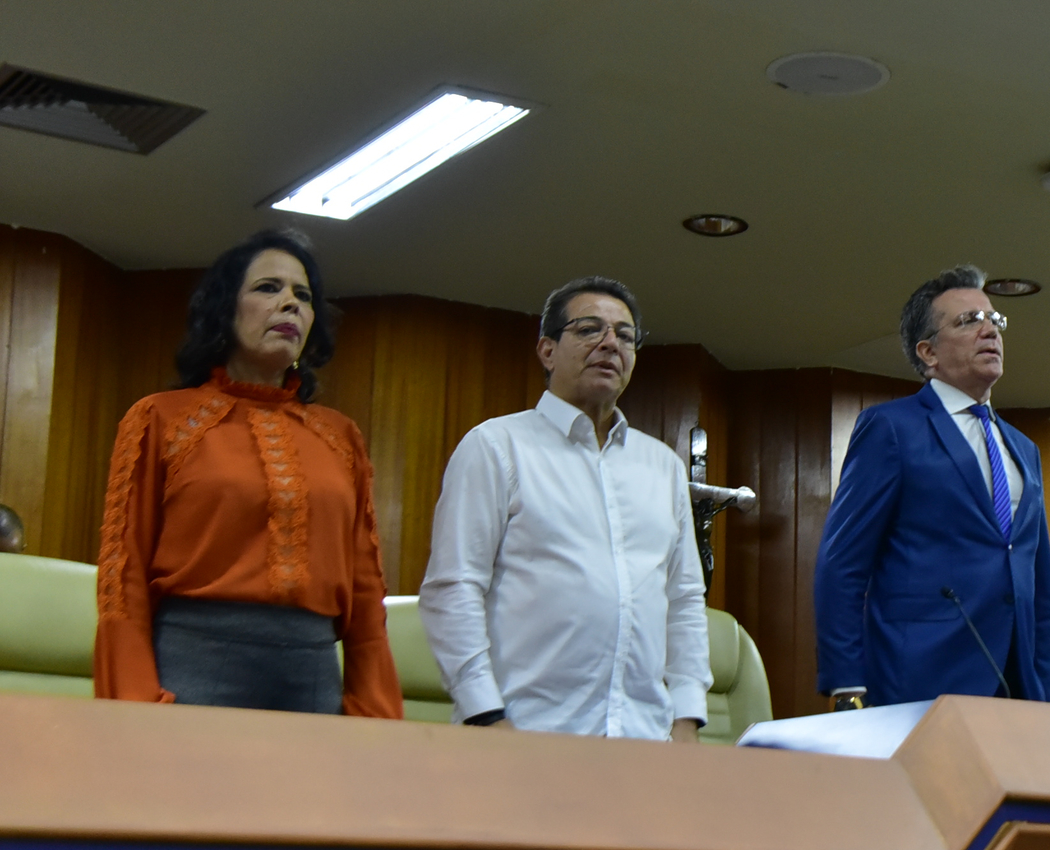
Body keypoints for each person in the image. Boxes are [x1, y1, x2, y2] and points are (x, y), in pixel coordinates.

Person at [94, 229, 402, 716]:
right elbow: (123, 573)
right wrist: (133, 704)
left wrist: (374, 707)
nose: (290, 303)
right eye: (268, 288)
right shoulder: (160, 419)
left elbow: (365, 588)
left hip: (314, 676)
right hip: (195, 667)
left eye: (303, 296)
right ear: (224, 309)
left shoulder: (340, 436)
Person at [419, 276, 709, 739]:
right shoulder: (496, 447)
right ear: (548, 350)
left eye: (625, 336)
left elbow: (685, 600)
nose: (610, 343)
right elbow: (454, 588)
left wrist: (687, 719)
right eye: (589, 329)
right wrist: (485, 714)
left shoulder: (664, 467)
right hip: (526, 734)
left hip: (645, 739)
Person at [814, 264, 1050, 709]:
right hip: (920, 678)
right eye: (969, 321)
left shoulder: (1025, 450)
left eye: (995, 320)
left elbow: (1039, 585)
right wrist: (845, 681)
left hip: (1018, 684)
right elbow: (843, 562)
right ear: (928, 352)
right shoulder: (891, 428)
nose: (990, 331)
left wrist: (1048, 695)